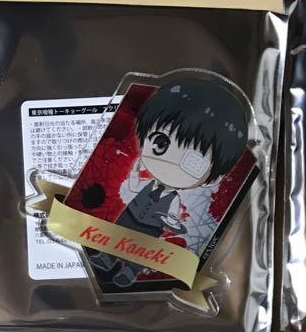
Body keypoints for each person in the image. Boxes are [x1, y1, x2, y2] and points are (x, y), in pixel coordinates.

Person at [92, 73, 249, 288]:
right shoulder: (148, 184)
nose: (172, 164)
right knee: (117, 237)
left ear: (214, 179)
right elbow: (134, 188)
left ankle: (129, 271)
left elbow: (173, 217)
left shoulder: (174, 198)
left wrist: (173, 221)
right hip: (129, 217)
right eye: (160, 143)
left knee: (140, 251)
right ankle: (107, 258)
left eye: (193, 162)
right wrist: (134, 176)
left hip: (150, 228)